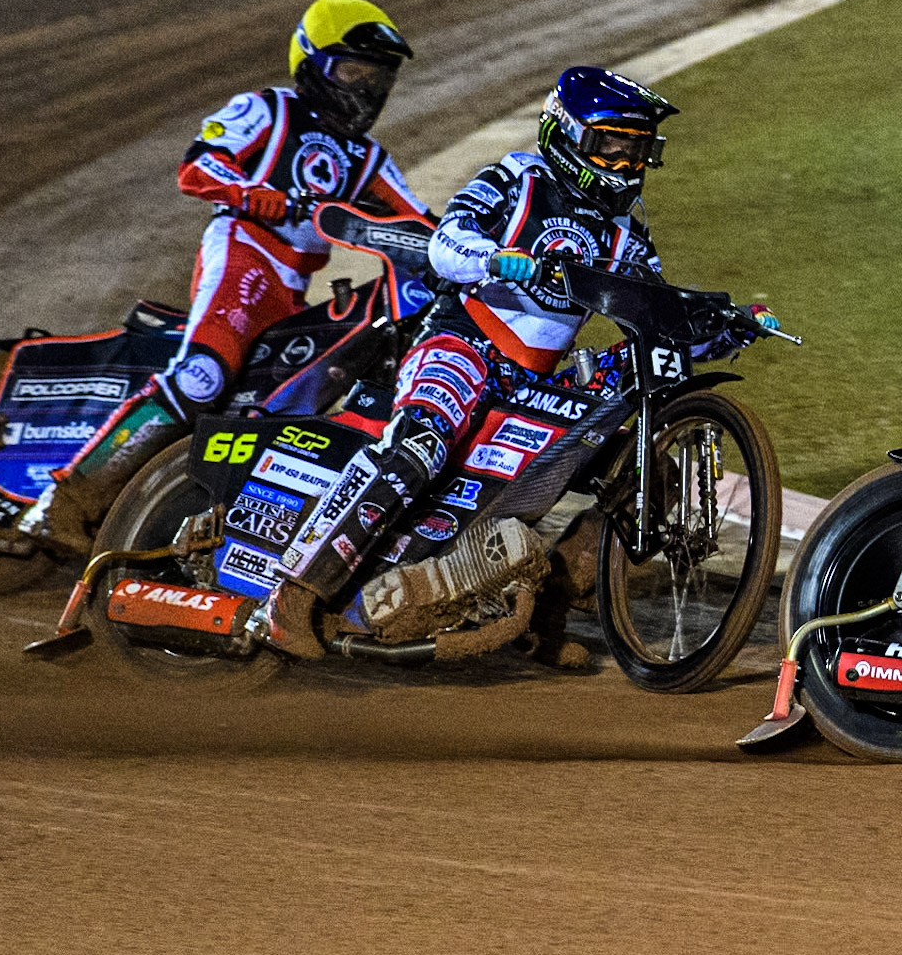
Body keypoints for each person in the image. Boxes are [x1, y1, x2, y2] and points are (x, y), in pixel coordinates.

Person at [246, 65, 778, 656]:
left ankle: (545, 616)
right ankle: (295, 594)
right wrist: (495, 259)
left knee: (651, 470)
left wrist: (725, 326)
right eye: (612, 145)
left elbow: (655, 315)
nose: (626, 163)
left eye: (638, 149)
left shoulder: (628, 230)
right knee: (419, 446)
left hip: (537, 382)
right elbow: (446, 242)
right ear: (567, 133)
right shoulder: (514, 178)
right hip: (463, 344)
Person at [20, 0, 430, 553]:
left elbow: (420, 223)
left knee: (279, 404)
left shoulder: (369, 159)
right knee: (204, 377)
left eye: (378, 77)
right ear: (313, 62)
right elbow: (198, 166)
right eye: (353, 71)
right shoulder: (267, 110)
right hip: (243, 252)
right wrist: (258, 196)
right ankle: (61, 499)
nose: (367, 88)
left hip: (292, 286)